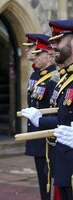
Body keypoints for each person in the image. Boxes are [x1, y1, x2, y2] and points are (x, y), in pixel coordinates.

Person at [22, 19, 73, 200]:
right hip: (62, 158)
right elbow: (62, 115)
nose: (52, 47)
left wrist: (41, 120)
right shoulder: (64, 79)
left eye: (58, 41)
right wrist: (39, 119)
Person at [21, 34, 60, 200]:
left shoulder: (54, 79)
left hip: (48, 135)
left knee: (53, 177)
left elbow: (56, 109)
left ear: (47, 55)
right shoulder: (35, 76)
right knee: (42, 178)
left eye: (38, 53)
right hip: (36, 132)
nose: (34, 56)